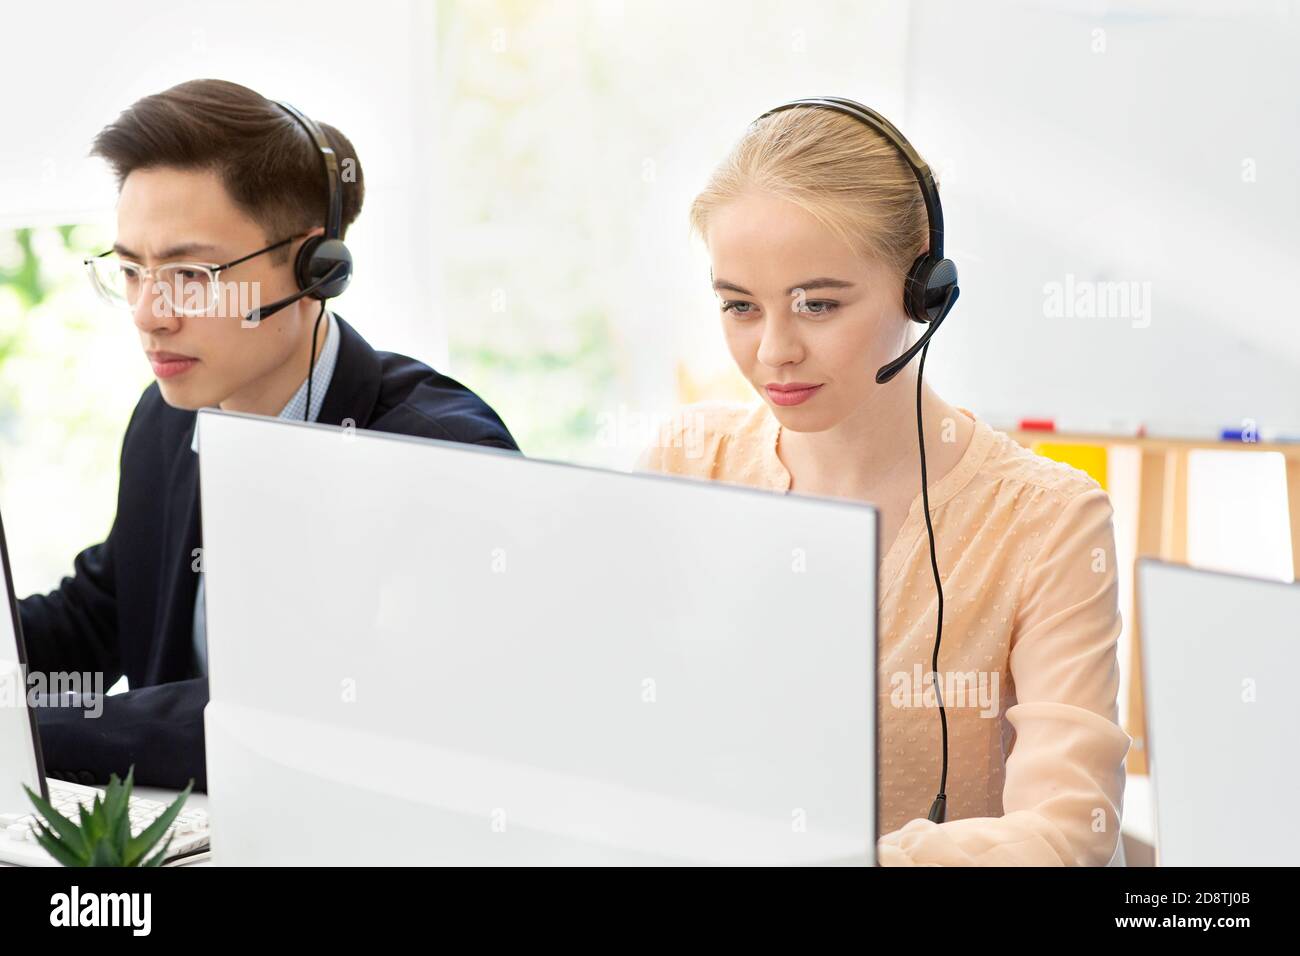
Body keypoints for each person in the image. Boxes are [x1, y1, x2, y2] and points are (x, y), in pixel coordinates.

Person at [640, 100, 1130, 865]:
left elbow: (1068, 835)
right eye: (739, 306)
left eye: (818, 304)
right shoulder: (687, 463)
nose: (774, 351)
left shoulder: (1048, 523)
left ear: (921, 289)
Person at [19, 79, 517, 791]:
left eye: (190, 273)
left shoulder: (440, 458)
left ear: (315, 269)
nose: (149, 314)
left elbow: (306, 711)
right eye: (130, 270)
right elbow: (98, 615)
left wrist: (31, 733)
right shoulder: (168, 420)